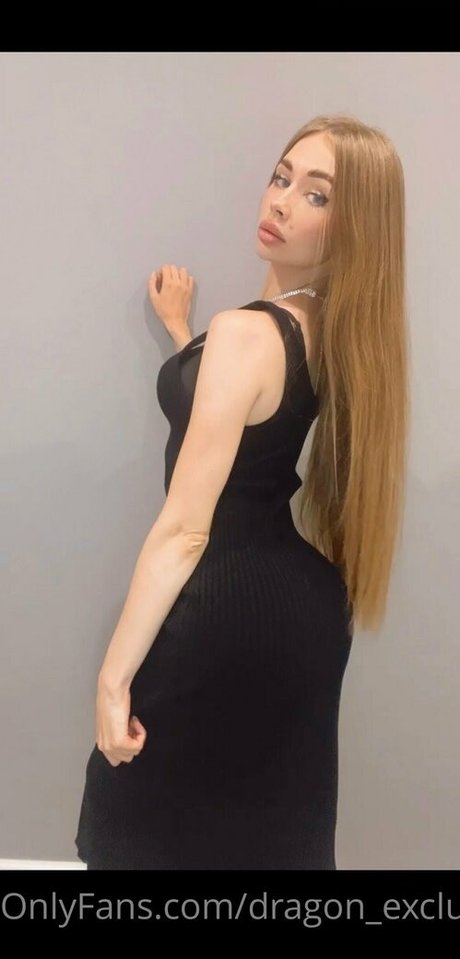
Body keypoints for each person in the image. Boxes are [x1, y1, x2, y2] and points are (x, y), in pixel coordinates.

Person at [75, 113, 409, 869]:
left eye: (317, 195)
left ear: (355, 225)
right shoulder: (331, 329)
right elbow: (245, 410)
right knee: (261, 838)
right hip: (299, 608)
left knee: (140, 829)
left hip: (217, 598)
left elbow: (185, 530)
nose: (282, 201)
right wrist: (182, 334)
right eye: (281, 177)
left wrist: (111, 678)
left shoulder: (246, 336)